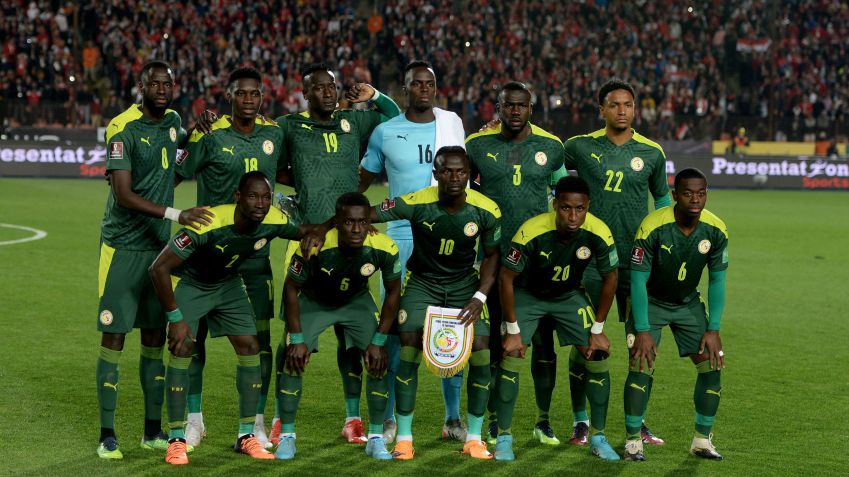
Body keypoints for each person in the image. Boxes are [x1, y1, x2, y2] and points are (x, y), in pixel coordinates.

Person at [147, 172, 317, 465]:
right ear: (238, 197)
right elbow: (158, 269)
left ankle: (245, 435)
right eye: (253, 196)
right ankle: (176, 440)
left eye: (266, 196)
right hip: (192, 283)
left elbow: (304, 229)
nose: (261, 203)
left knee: (250, 346)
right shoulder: (208, 222)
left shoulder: (272, 219)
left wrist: (326, 228)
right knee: (182, 346)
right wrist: (175, 318)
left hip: (228, 284)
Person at [272, 62, 401, 445]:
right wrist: (305, 184)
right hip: (310, 242)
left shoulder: (354, 122)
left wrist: (374, 96)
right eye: (320, 88)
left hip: (353, 240)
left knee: (352, 342)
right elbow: (272, 164)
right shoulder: (288, 126)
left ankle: (352, 419)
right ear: (305, 92)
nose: (329, 92)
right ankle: (281, 420)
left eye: (332, 87)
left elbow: (396, 118)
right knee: (292, 340)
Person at [95, 60, 213, 459]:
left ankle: (151, 430)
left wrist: (194, 136)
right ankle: (107, 434)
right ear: (141, 85)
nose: (161, 89)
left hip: (158, 249)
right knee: (114, 337)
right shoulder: (121, 128)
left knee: (153, 339)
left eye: (168, 83)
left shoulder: (173, 121)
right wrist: (176, 215)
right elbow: (124, 194)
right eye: (154, 83)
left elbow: (170, 173)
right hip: (123, 248)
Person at [359, 59, 467, 442]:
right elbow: (362, 180)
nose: (424, 88)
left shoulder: (452, 124)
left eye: (430, 83)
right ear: (405, 90)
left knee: (450, 325)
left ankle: (453, 419)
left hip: (448, 237)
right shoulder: (385, 132)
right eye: (416, 83)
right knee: (392, 328)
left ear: (435, 88)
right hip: (400, 237)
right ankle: (388, 419)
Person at [176, 67, 284, 448]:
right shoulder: (211, 134)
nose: (249, 100)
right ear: (230, 95)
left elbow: (288, 174)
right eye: (242, 94)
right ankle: (194, 421)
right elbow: (180, 169)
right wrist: (191, 130)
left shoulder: (274, 133)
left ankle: (254, 423)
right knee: (194, 341)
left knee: (260, 342)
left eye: (255, 94)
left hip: (255, 256)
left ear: (262, 97)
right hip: (207, 254)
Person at [371, 146, 502, 460]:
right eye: (447, 171)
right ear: (436, 173)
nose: (454, 177)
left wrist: (480, 295)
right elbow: (370, 213)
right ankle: (403, 439)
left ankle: (473, 438)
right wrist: (331, 224)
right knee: (408, 347)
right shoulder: (418, 201)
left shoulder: (486, 210)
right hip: (423, 283)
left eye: (460, 171)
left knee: (482, 347)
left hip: (464, 286)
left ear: (469, 175)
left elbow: (492, 255)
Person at [563, 78, 671, 446]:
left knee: (639, 345)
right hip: (589, 263)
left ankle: (636, 420)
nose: (622, 110)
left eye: (628, 104)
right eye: (614, 105)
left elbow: (664, 205)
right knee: (586, 343)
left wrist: (666, 249)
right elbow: (543, 162)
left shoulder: (652, 153)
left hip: (636, 264)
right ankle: (581, 421)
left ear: (634, 109)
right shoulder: (579, 147)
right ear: (602, 109)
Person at [464, 81, 567, 446]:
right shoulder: (477, 145)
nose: (515, 111)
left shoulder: (551, 146)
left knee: (543, 342)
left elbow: (564, 191)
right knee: (494, 342)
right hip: (493, 258)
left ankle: (543, 420)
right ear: (498, 107)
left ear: (531, 109)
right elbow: (460, 186)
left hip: (538, 262)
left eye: (521, 106)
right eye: (508, 105)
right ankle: (494, 420)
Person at [494, 176, 619, 462]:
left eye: (579, 209)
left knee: (598, 353)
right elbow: (506, 278)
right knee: (511, 351)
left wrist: (598, 328)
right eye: (565, 208)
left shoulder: (599, 232)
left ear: (588, 206)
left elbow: (610, 277)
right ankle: (503, 437)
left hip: (568, 296)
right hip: (530, 295)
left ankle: (598, 437)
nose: (573, 216)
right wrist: (512, 329)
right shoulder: (531, 231)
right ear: (555, 205)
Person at [274, 192, 402, 461]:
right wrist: (296, 337)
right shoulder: (314, 245)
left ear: (369, 223)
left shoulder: (385, 247)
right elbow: (290, 287)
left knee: (378, 358)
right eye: (348, 222)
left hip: (355, 301)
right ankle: (286, 436)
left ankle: (376, 439)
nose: (356, 229)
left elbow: (393, 293)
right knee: (293, 357)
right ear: (336, 222)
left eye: (362, 222)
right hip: (314, 300)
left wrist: (379, 341)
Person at [623, 168, 728, 461]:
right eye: (688, 193)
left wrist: (714, 328)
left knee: (712, 364)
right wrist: (642, 329)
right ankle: (633, 441)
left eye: (701, 193)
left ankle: (701, 441)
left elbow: (717, 280)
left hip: (687, 303)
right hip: (651, 301)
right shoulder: (652, 227)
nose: (695, 199)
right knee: (640, 363)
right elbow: (637, 281)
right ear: (674, 195)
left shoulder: (716, 229)